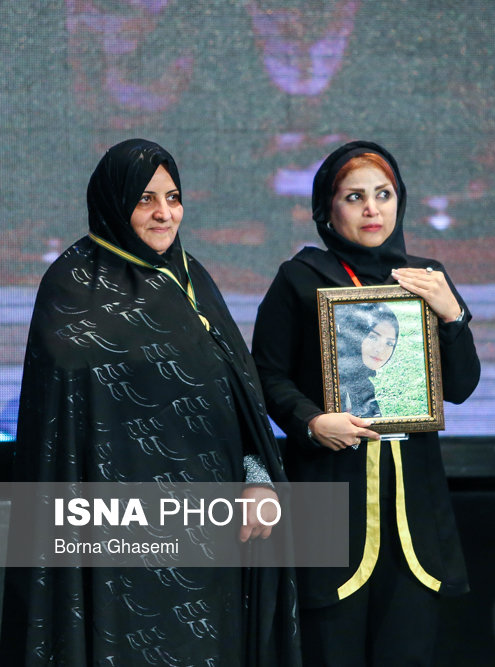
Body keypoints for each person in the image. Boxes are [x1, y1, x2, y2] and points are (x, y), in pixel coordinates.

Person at [0, 139, 300, 666]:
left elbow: (237, 393)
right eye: (145, 199)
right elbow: (60, 429)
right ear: (114, 203)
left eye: (173, 197)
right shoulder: (71, 285)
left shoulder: (190, 276)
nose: (165, 213)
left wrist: (257, 477)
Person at [252, 140, 480, 666]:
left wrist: (452, 315)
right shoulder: (300, 278)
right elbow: (264, 373)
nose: (372, 209)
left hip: (413, 505)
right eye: (354, 197)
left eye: (384, 194)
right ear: (326, 209)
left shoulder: (426, 278)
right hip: (328, 492)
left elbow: (462, 386)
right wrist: (310, 421)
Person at [335, 303, 399, 418]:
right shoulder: (339, 379)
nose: (380, 349)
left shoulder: (364, 385)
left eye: (389, 343)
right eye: (373, 337)